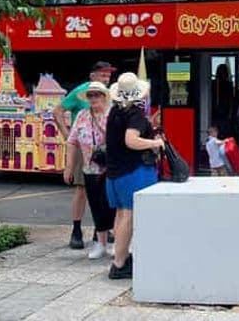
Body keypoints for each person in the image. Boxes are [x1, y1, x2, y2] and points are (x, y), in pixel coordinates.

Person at [105, 72, 162, 279]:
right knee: (128, 215)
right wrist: (154, 143)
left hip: (114, 172)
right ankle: (119, 264)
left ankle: (119, 257)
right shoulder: (136, 115)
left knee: (121, 214)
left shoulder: (114, 112)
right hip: (133, 171)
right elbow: (131, 140)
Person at [53, 61, 116, 250]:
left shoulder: (110, 94)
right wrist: (68, 135)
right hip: (85, 148)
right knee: (82, 189)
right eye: (103, 75)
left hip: (106, 152)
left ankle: (102, 231)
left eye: (108, 75)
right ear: (92, 76)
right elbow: (57, 111)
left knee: (106, 191)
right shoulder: (80, 92)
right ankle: (77, 230)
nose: (106, 78)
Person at [64, 82, 115, 260]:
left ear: (104, 96)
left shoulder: (111, 114)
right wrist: (69, 166)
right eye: (91, 96)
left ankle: (113, 241)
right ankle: (100, 243)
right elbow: (71, 141)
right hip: (89, 168)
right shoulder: (82, 115)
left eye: (97, 95)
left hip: (110, 169)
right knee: (96, 206)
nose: (93, 98)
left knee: (111, 205)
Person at [211, 63, 234, 137]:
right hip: (221, 111)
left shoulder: (213, 84)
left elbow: (230, 100)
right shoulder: (227, 84)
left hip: (219, 111)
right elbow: (231, 100)